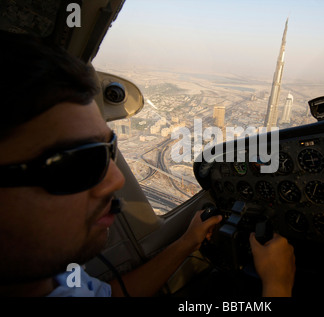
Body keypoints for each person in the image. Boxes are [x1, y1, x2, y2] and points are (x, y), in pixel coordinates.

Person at [0, 31, 296, 297]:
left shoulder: (56, 281)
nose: (116, 180)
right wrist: (277, 286)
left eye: (109, 150)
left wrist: (187, 242)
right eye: (75, 163)